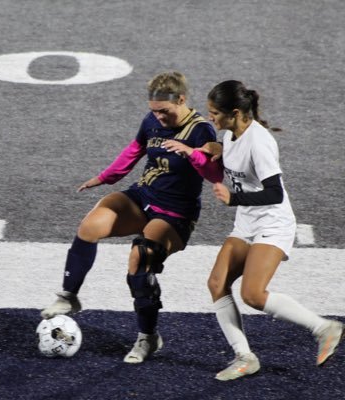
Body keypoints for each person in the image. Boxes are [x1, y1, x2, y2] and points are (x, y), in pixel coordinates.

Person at [41, 71, 223, 363]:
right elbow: (135, 150)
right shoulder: (152, 121)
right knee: (91, 225)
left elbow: (215, 174)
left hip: (176, 213)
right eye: (154, 111)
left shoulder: (201, 130)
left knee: (141, 256)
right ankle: (69, 297)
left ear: (181, 99)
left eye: (165, 111)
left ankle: (148, 338)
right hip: (144, 197)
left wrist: (191, 153)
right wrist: (104, 177)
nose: (159, 118)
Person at [205, 80, 344, 381]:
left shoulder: (260, 141)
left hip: (273, 222)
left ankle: (324, 327)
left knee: (253, 295)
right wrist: (219, 149)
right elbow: (236, 156)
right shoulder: (231, 133)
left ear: (236, 113)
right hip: (247, 221)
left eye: (215, 113)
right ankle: (245, 357)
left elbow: (274, 193)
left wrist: (233, 199)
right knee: (217, 283)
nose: (210, 118)